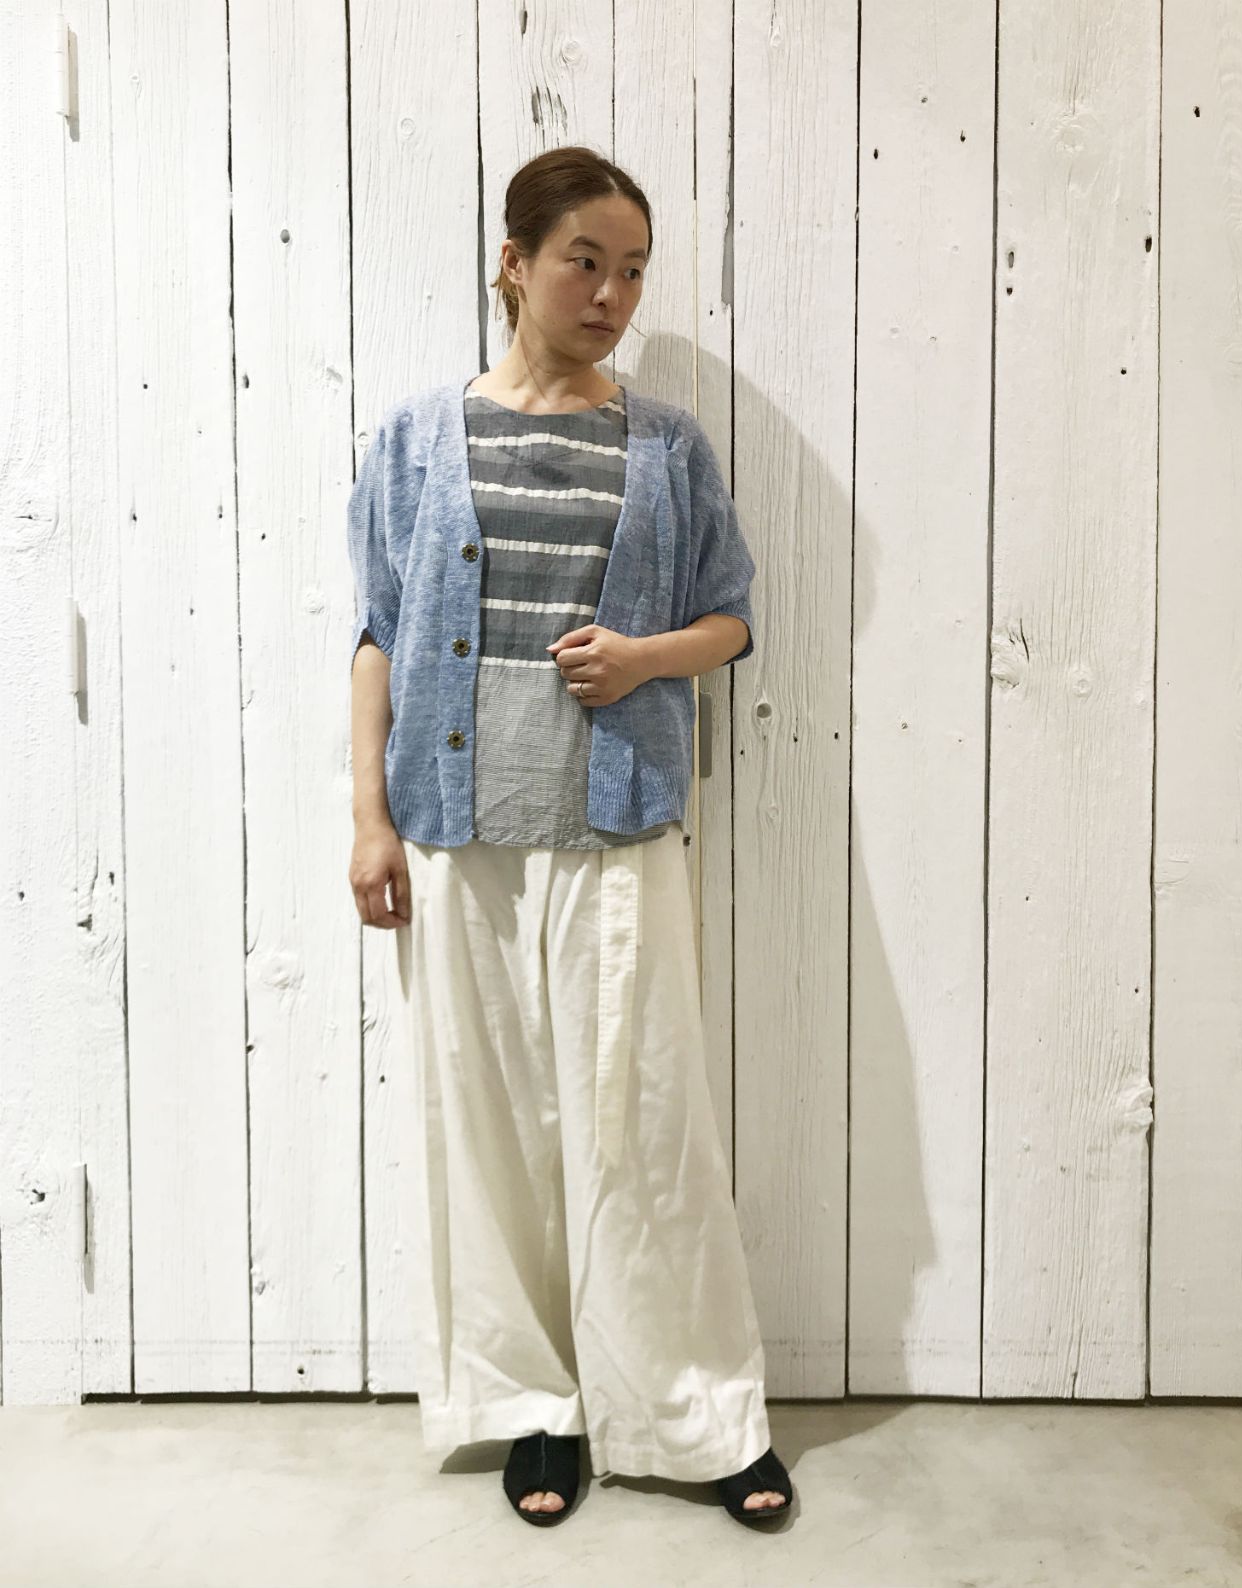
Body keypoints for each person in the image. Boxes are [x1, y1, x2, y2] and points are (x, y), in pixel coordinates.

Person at [347, 145, 793, 1528]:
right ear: (516, 263)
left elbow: (733, 617)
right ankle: (533, 1409)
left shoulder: (666, 447)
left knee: (644, 1127)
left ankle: (695, 1410)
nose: (610, 295)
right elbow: (378, 635)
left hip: (617, 824)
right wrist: (368, 820)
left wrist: (644, 658)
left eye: (633, 272)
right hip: (456, 829)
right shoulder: (418, 440)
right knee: (489, 1134)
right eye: (584, 262)